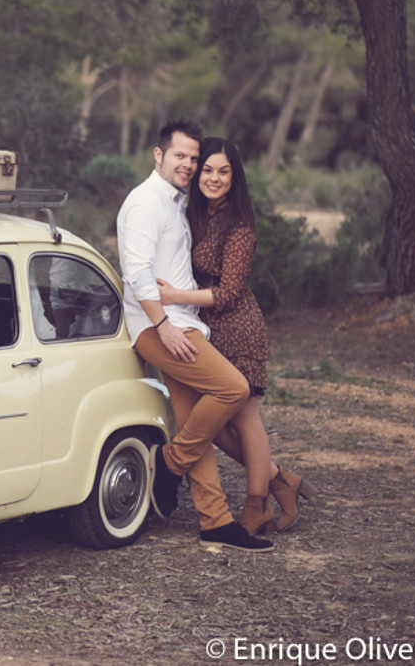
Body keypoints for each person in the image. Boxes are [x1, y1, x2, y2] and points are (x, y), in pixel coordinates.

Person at [116, 119, 272, 552]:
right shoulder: (146, 203)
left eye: (193, 158)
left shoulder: (176, 203)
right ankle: (169, 463)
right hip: (160, 327)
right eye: (180, 156)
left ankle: (215, 520)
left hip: (183, 324)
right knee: (232, 389)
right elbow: (137, 273)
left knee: (191, 424)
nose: (188, 165)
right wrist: (164, 328)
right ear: (158, 155)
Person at [157, 137, 316, 534]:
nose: (214, 178)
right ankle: (280, 480)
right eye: (207, 169)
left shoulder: (240, 226)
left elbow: (227, 293)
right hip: (199, 323)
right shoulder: (192, 212)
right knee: (212, 425)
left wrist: (173, 296)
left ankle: (257, 504)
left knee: (244, 420)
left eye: (223, 171)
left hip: (235, 325)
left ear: (235, 176)